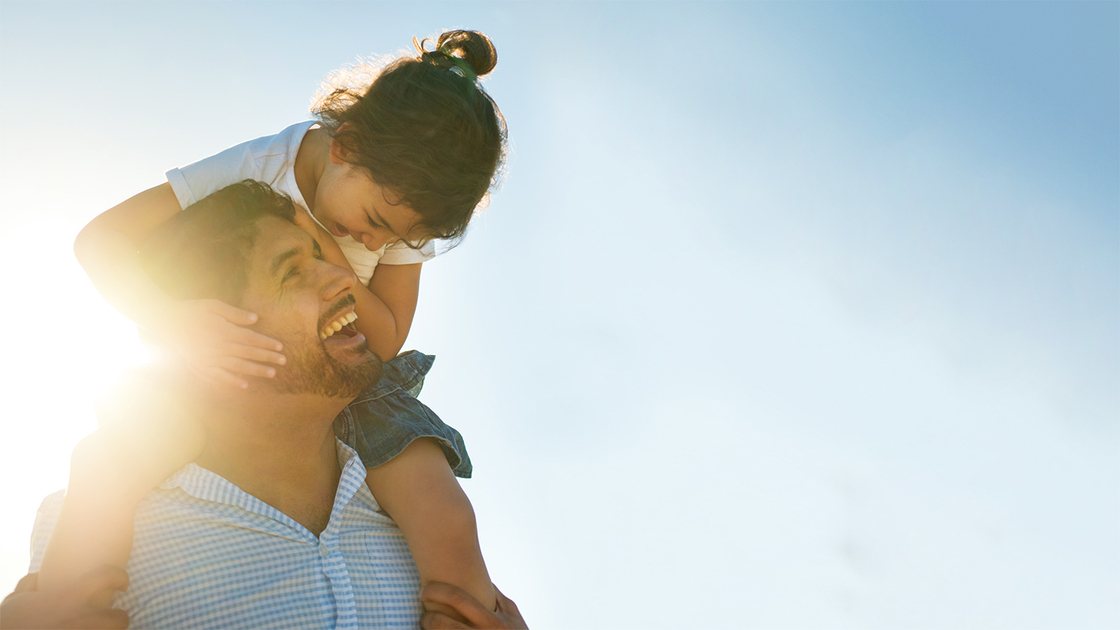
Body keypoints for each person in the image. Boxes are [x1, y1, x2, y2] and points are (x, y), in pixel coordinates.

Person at [69, 29, 507, 617]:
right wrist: (170, 318)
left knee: (446, 512)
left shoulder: (399, 214)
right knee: (117, 456)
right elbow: (103, 239)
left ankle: (470, 615)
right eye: (375, 220)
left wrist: (321, 252)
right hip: (214, 357)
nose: (378, 244)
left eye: (402, 241)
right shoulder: (259, 164)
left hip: (359, 376)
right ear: (344, 146)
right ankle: (62, 601)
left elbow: (385, 337)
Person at [15, 181, 525, 629]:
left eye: (321, 256)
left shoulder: (418, 518)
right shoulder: (95, 521)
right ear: (206, 335)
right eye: (292, 272)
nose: (345, 279)